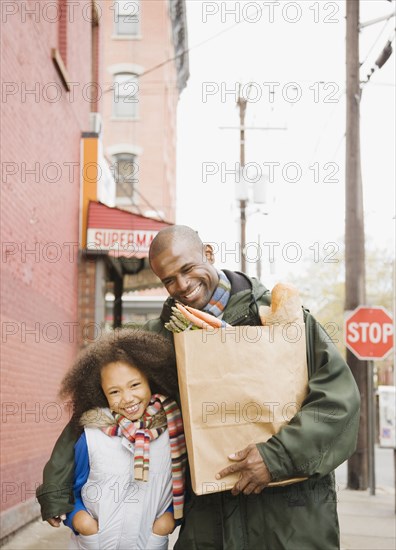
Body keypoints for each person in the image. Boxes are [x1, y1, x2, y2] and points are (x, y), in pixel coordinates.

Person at [37, 225, 360, 550]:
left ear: (208, 253)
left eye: (187, 269)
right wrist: (57, 485)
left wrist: (277, 457)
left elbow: (337, 402)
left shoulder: (282, 319)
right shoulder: (157, 339)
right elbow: (96, 402)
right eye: (168, 279)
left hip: (291, 519)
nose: (182, 285)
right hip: (209, 522)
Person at [47, 328, 186, 550]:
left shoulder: (173, 430)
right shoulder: (91, 435)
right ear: (100, 393)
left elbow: (181, 484)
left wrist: (167, 521)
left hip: (148, 542)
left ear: (151, 380)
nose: (127, 398)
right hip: (97, 542)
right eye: (114, 392)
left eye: (135, 385)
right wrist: (81, 521)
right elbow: (70, 485)